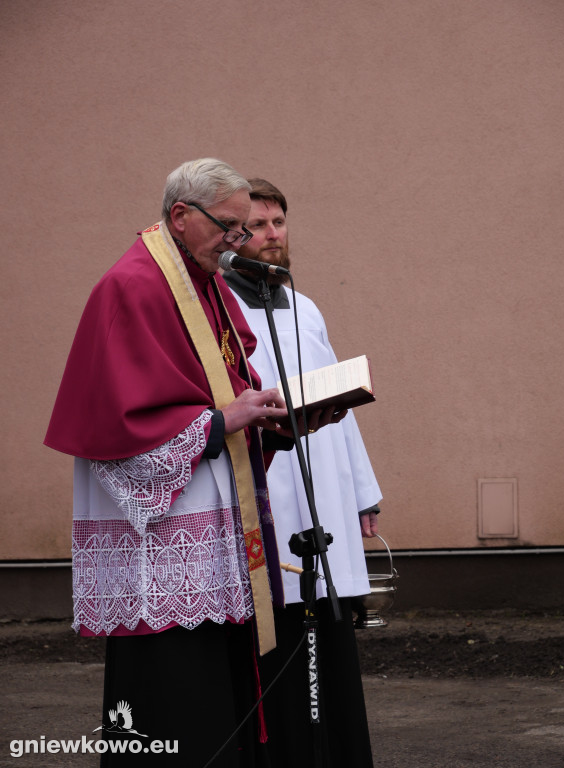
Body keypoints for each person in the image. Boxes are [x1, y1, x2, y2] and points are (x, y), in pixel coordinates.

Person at [44, 159, 342, 768]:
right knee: (176, 704)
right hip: (166, 545)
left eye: (243, 229)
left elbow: (230, 394)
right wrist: (220, 421)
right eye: (230, 227)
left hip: (216, 532)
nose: (239, 241)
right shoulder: (133, 286)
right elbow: (119, 426)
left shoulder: (199, 281)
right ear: (181, 217)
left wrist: (274, 424)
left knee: (221, 692)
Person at [223, 178, 382, 767]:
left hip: (324, 486)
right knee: (278, 628)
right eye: (256, 225)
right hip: (268, 483)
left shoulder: (304, 305)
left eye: (278, 223)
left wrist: (363, 494)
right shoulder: (221, 305)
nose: (270, 235)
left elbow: (339, 411)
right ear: (235, 236)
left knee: (330, 628)